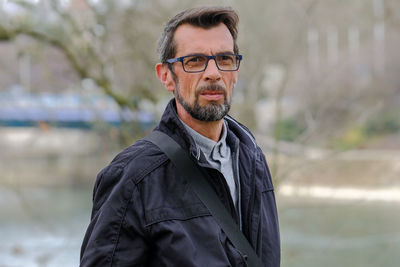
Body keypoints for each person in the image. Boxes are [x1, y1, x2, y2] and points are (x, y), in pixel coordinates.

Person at [80, 6, 280, 267]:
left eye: (225, 59)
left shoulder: (252, 158)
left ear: (236, 71)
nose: (213, 73)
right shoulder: (132, 178)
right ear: (166, 76)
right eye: (194, 61)